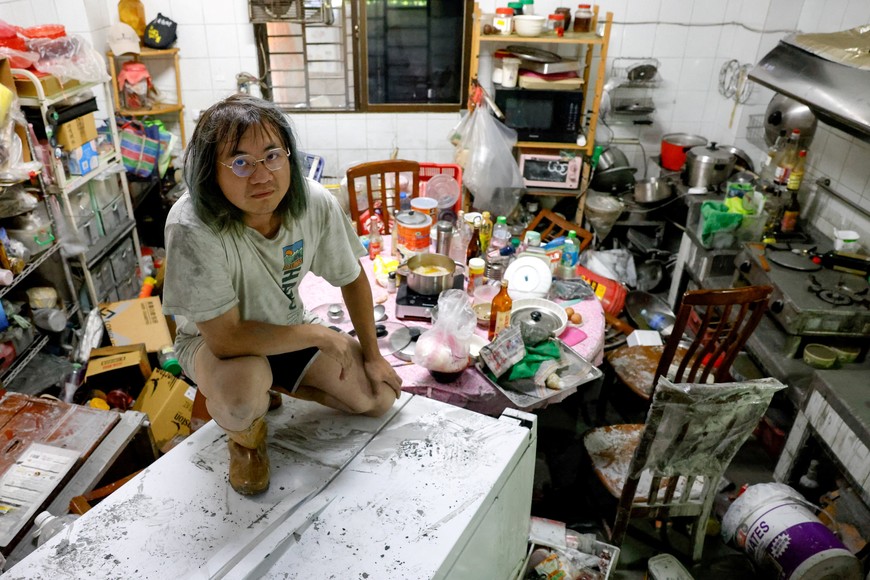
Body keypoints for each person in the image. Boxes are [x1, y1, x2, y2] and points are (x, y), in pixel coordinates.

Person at [162, 94, 402, 496]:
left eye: (272, 155)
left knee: (379, 399)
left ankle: (272, 387)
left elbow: (352, 276)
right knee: (241, 392)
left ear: (289, 156)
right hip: (215, 346)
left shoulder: (313, 203)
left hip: (287, 328)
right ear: (211, 173)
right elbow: (226, 339)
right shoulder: (192, 226)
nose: (261, 176)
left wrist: (374, 357)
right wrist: (321, 335)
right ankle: (245, 438)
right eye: (240, 163)